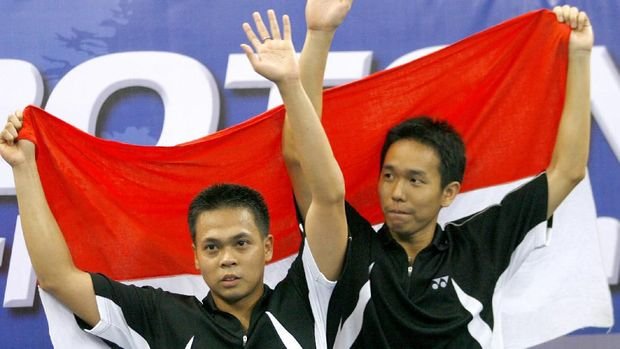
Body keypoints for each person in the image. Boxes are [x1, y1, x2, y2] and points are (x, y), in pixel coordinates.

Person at [0, 3, 353, 348]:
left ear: (268, 247)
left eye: (241, 243)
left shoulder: (308, 297)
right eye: (212, 247)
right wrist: (24, 168)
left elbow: (328, 195)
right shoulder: (162, 316)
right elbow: (57, 279)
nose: (227, 258)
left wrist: (292, 82)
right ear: (196, 257)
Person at [282, 4, 594, 348]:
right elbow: (300, 159)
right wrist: (318, 36)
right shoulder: (351, 247)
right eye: (388, 176)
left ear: (449, 192)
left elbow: (568, 170)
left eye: (415, 180)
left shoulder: (481, 244)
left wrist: (578, 56)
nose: (396, 192)